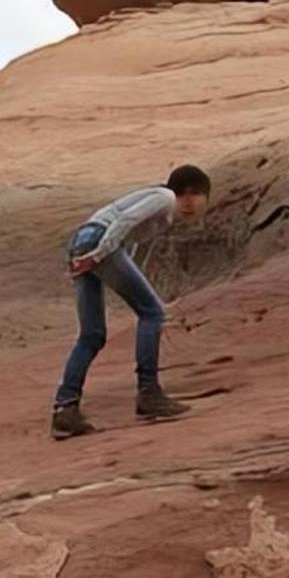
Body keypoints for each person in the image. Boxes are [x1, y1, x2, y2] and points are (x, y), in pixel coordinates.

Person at [50, 165, 211, 440]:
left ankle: (65, 410)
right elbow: (124, 221)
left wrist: (99, 258)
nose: (190, 202)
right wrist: (99, 255)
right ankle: (149, 394)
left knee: (92, 335)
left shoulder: (163, 210)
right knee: (153, 313)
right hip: (99, 240)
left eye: (196, 195)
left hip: (84, 240)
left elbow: (129, 238)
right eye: (189, 194)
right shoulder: (164, 198)